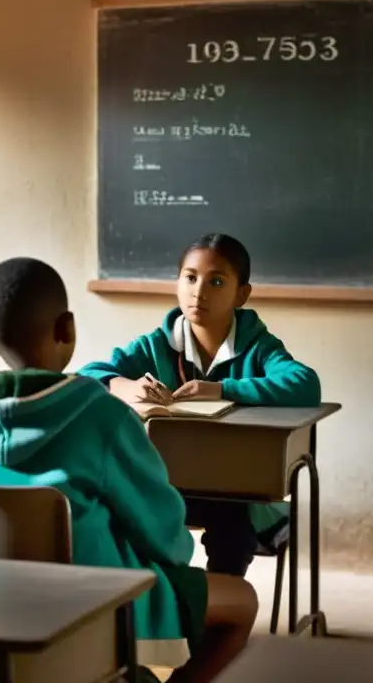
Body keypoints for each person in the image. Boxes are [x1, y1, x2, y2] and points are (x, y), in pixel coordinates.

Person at [0, 257, 257, 683]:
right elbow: (166, 537)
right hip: (96, 603)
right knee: (241, 600)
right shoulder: (102, 417)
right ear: (67, 329)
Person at [78, 233, 320, 577]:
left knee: (234, 527)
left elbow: (304, 384)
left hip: (236, 490)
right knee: (122, 510)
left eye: (216, 281)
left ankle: (220, 610)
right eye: (190, 278)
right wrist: (126, 385)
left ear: (241, 294)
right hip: (167, 482)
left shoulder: (257, 346)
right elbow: (87, 375)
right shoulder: (156, 344)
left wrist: (220, 389)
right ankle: (161, 606)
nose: (199, 291)